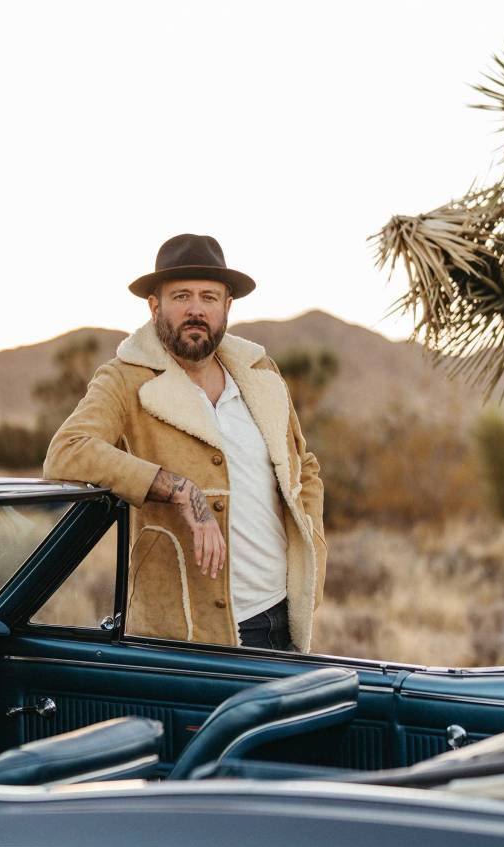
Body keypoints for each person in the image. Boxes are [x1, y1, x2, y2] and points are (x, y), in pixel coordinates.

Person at [43, 234, 326, 651]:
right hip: (188, 632)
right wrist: (179, 489)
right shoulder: (125, 379)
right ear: (155, 306)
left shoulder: (260, 374)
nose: (196, 309)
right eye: (181, 296)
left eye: (209, 297)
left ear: (227, 306)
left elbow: (305, 466)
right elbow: (67, 451)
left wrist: (314, 550)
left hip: (280, 615)